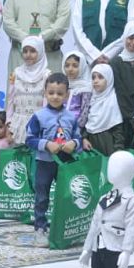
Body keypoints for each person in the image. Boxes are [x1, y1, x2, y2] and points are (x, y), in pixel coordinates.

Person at [25, 73, 81, 247]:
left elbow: (79, 138)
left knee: (67, 195)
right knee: (42, 195)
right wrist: (46, 144)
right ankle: (40, 228)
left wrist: (74, 143)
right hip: (44, 163)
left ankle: (66, 226)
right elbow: (29, 139)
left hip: (65, 164)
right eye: (51, 93)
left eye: (60, 93)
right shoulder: (38, 116)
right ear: (45, 93)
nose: (55, 97)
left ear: (67, 95)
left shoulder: (71, 117)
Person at [5, 36, 50, 145]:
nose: (28, 55)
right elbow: (10, 99)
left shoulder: (46, 75)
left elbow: (46, 103)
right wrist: (8, 122)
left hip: (38, 122)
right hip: (18, 122)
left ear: (40, 52)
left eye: (33, 51)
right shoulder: (16, 73)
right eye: (25, 51)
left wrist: (44, 123)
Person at [81, 64, 124, 156]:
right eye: (93, 77)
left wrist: (118, 150)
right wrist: (84, 138)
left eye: (100, 77)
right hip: (92, 145)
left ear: (109, 79)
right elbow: (88, 122)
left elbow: (118, 129)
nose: (96, 81)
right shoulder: (92, 99)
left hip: (108, 144)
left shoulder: (113, 100)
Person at [61, 51, 92, 126]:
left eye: (75, 66)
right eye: (67, 65)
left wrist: (74, 128)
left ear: (82, 67)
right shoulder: (62, 85)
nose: (70, 69)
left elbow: (84, 113)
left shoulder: (86, 88)